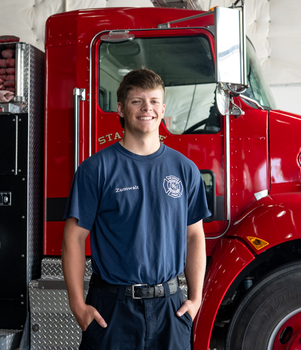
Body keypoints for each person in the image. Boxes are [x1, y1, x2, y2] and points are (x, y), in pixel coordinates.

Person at [62, 68, 211, 350]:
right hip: (112, 310)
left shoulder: (184, 169)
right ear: (120, 108)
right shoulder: (96, 169)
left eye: (154, 101)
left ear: (163, 109)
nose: (147, 109)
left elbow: (194, 236)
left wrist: (195, 299)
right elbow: (73, 238)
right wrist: (78, 306)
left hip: (171, 308)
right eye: (136, 101)